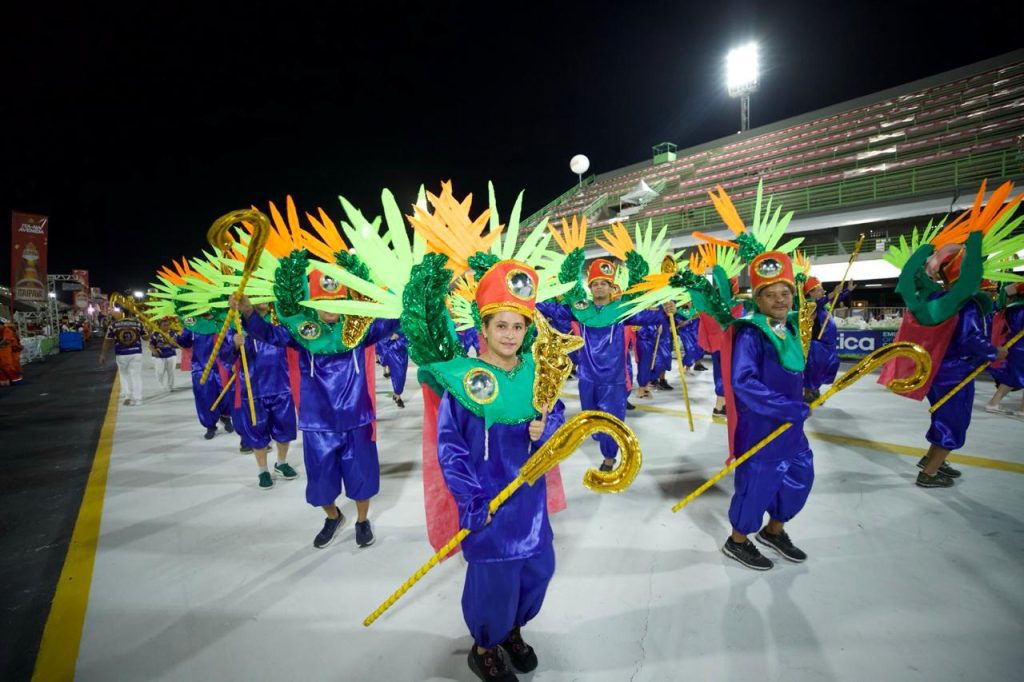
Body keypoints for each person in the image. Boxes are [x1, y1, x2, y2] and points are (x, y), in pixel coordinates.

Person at [429, 261, 566, 682]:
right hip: (489, 504)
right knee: (495, 582)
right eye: (501, 326)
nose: (510, 335)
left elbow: (558, 417)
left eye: (518, 326)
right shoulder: (464, 382)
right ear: (483, 329)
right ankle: (485, 644)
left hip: (529, 500)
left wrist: (548, 428)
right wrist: (471, 501)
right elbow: (451, 448)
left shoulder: (537, 374)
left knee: (538, 570)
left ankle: (512, 630)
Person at [234, 264, 398, 548]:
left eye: (336, 301)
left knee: (362, 478)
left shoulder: (360, 331)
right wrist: (248, 311)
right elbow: (270, 335)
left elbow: (395, 319)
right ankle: (333, 517)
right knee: (321, 484)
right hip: (317, 422)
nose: (329, 309)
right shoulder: (302, 334)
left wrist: (412, 295)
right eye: (322, 302)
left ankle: (361, 521)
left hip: (356, 418)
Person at [721, 251, 814, 570]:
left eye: (785, 293)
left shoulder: (786, 329)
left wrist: (805, 397)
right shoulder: (751, 332)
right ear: (758, 299)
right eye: (770, 294)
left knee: (799, 476)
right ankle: (737, 541)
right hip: (762, 427)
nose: (779, 299)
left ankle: (774, 532)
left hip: (791, 429)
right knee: (757, 485)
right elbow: (743, 382)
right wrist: (790, 407)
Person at [539, 259, 672, 472]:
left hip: (613, 380)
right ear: (589, 288)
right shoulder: (580, 310)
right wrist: (526, 299)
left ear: (611, 288)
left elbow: (652, 317)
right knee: (592, 420)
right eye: (595, 283)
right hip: (587, 377)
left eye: (604, 283)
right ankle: (602, 437)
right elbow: (552, 310)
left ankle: (609, 458)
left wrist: (666, 311)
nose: (599, 286)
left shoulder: (622, 311)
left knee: (610, 420)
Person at [220, 302, 299, 490]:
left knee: (285, 430)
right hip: (253, 389)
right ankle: (263, 470)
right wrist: (233, 345)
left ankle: (281, 463)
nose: (262, 299)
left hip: (281, 385)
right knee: (257, 433)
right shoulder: (236, 325)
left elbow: (292, 342)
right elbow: (224, 358)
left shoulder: (280, 321)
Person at [176, 312, 235, 439]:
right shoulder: (193, 324)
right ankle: (210, 425)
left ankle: (226, 417)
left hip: (223, 367)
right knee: (204, 397)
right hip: (201, 367)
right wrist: (178, 337)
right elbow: (186, 343)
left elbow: (231, 341)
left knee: (225, 394)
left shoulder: (222, 320)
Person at [986, 283, 1024, 414]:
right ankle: (993, 403)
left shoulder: (1010, 308)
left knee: (1013, 377)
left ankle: (995, 403)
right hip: (1021, 346)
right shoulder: (1021, 309)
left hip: (1014, 345)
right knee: (1013, 377)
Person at [99, 309, 145, 405]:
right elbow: (145, 337)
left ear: (122, 313)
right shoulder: (138, 323)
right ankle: (138, 398)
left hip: (121, 354)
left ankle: (127, 395)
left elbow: (108, 340)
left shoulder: (114, 325)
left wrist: (103, 354)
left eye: (116, 312)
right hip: (136, 352)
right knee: (136, 376)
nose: (114, 314)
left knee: (124, 375)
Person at [377, 331, 409, 408]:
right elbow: (379, 331)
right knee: (398, 373)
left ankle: (396, 393)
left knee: (402, 374)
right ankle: (398, 396)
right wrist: (389, 336)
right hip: (391, 350)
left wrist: (401, 337)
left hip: (402, 350)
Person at [149, 317, 178, 392]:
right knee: (160, 372)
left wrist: (174, 343)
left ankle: (170, 386)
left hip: (171, 355)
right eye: (164, 325)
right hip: (159, 356)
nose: (166, 326)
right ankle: (161, 384)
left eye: (168, 325)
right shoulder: (155, 334)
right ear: (160, 326)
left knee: (171, 372)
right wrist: (154, 351)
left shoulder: (173, 333)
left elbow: (177, 344)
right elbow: (151, 345)